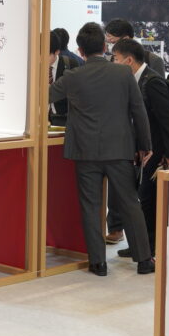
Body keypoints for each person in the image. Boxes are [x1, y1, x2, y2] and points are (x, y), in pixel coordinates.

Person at [48, 22, 155, 276]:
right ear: (105, 46)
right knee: (130, 203)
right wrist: (145, 145)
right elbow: (138, 111)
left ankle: (98, 263)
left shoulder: (72, 77)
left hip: (85, 151)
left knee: (90, 206)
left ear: (80, 51)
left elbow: (45, 96)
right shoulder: (123, 74)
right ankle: (144, 260)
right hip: (119, 149)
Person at [111, 39, 169, 256]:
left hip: (161, 153)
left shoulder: (152, 81)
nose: (113, 62)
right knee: (146, 199)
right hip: (148, 150)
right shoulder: (138, 79)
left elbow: (168, 120)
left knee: (150, 200)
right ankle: (143, 246)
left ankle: (149, 249)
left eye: (116, 58)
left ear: (128, 60)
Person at [102, 18, 166, 243]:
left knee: (140, 189)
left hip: (143, 135)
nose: (110, 47)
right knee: (117, 184)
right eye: (108, 42)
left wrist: (146, 140)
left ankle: (143, 241)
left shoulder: (153, 62)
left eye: (113, 41)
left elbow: (156, 103)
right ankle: (117, 228)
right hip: (120, 133)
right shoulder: (111, 62)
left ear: (127, 39)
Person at [48, 31, 78, 126]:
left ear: (57, 52)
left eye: (46, 55)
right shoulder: (33, 67)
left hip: (63, 119)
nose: (41, 59)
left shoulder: (70, 64)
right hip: (40, 120)